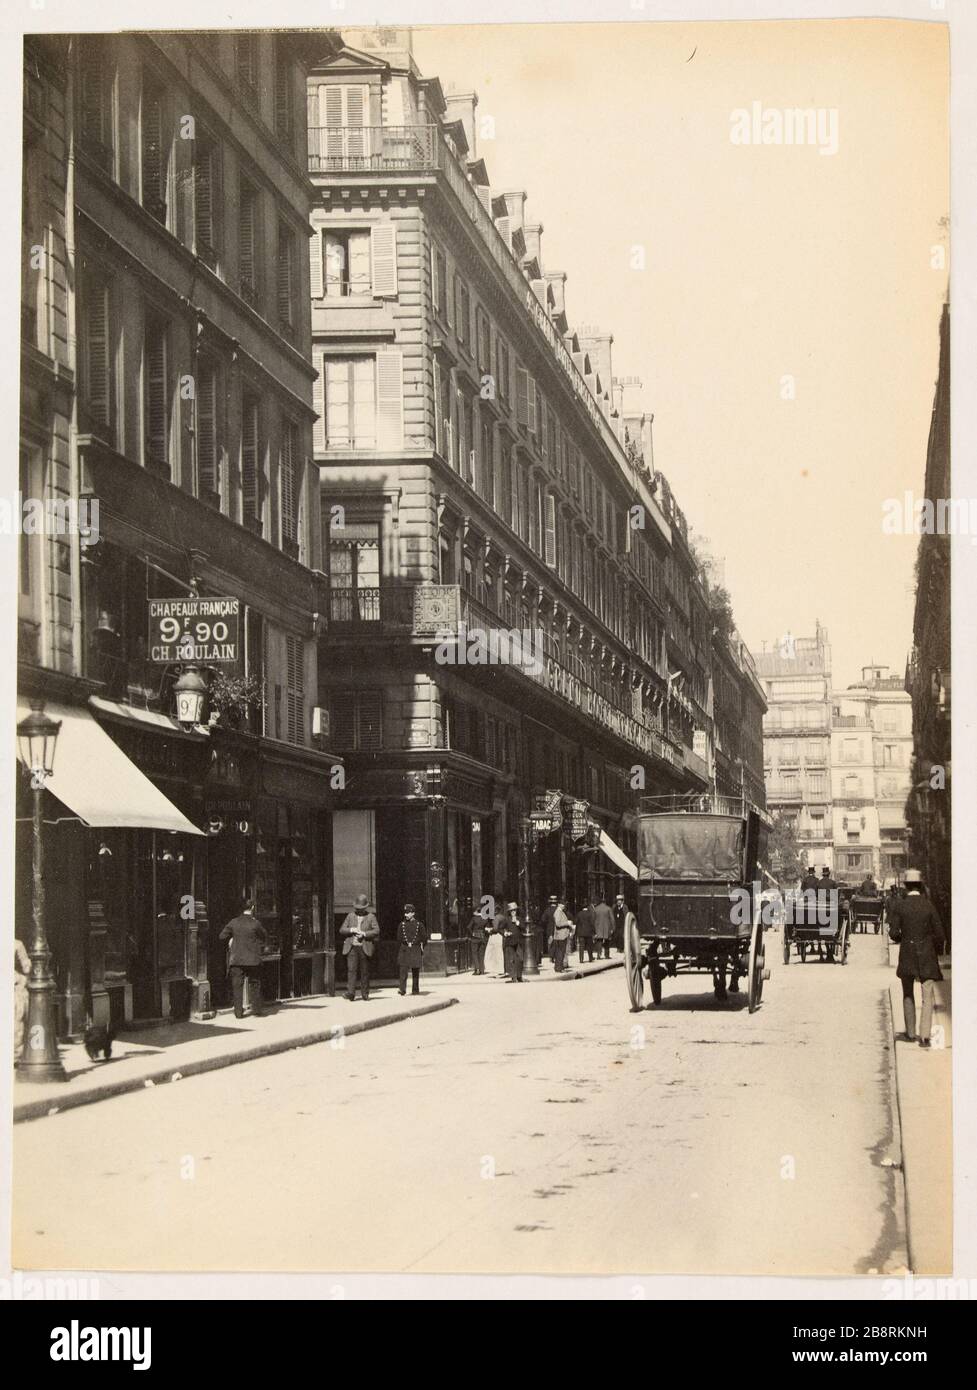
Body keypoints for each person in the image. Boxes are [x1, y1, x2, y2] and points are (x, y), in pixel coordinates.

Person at [888, 869, 945, 1048]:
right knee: (927, 995)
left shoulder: (901, 906)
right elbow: (940, 934)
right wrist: (932, 947)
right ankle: (925, 1036)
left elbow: (894, 932)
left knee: (907, 992)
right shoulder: (929, 905)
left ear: (905, 886)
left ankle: (911, 1033)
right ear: (920, 886)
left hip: (907, 953)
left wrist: (903, 939)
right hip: (926, 953)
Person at [219, 900, 268, 1019]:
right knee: (255, 984)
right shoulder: (255, 923)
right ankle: (256, 1010)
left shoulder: (233, 922)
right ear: (252, 908)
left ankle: (238, 1013)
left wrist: (231, 940)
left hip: (237, 960)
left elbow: (221, 936)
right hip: (253, 960)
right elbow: (264, 936)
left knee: (237, 986)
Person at [340, 893, 380, 1001]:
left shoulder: (371, 917)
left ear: (365, 907)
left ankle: (365, 993)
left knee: (365, 971)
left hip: (364, 947)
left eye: (361, 908)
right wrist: (351, 930)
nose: (359, 910)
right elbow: (342, 929)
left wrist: (364, 934)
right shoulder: (350, 916)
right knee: (351, 970)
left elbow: (376, 931)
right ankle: (351, 993)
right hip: (352, 947)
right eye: (357, 908)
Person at [396, 903, 426, 996]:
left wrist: (421, 947)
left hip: (415, 948)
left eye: (408, 913)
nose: (406, 915)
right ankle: (402, 989)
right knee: (403, 970)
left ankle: (415, 989)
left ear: (413, 913)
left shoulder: (419, 925)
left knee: (415, 970)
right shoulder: (402, 925)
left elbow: (424, 938)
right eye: (405, 913)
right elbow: (399, 938)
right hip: (404, 949)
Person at [14, 936, 31, 1061]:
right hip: (14, 986)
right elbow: (27, 967)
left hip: (13, 986)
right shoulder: (17, 944)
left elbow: (26, 966)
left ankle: (15, 1055)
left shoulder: (17, 944)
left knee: (17, 1021)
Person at [502, 901, 525, 982]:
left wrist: (518, 923)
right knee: (511, 959)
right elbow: (500, 928)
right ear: (509, 912)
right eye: (511, 911)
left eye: (514, 910)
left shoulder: (520, 919)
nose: (513, 912)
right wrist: (505, 933)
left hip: (518, 941)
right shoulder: (506, 920)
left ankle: (519, 976)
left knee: (520, 959)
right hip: (510, 941)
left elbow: (524, 928)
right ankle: (513, 977)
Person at [484, 902, 506, 977]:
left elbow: (495, 929)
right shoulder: (503, 917)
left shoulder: (496, 918)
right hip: (501, 936)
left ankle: (493, 969)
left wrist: (489, 930)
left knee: (490, 953)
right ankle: (500, 969)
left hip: (495, 936)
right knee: (499, 953)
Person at [551, 899, 572, 972]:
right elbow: (558, 923)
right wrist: (567, 923)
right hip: (561, 935)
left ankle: (558, 967)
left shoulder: (560, 912)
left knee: (560, 952)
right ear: (559, 904)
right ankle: (559, 968)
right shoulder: (558, 912)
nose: (564, 906)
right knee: (560, 952)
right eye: (563, 904)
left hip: (561, 935)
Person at [468, 903, 489, 975]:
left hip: (475, 937)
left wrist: (472, 933)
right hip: (482, 937)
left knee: (474, 953)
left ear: (477, 911)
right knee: (481, 954)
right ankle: (482, 970)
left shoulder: (474, 918)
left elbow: (469, 927)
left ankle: (477, 969)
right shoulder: (485, 919)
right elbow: (487, 929)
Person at [539, 895, 558, 963]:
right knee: (557, 942)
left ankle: (551, 956)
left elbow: (543, 919)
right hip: (558, 928)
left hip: (549, 928)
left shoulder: (547, 910)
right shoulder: (559, 909)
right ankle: (556, 956)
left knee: (550, 942)